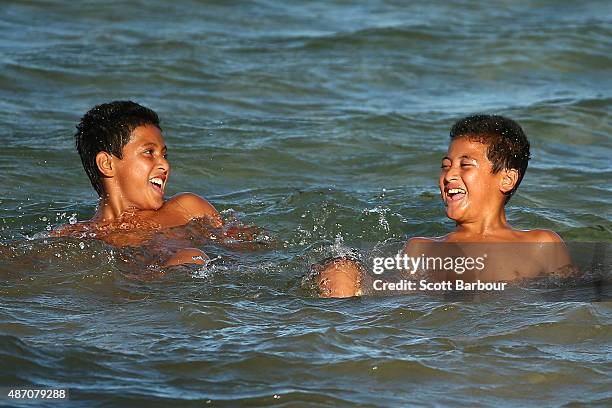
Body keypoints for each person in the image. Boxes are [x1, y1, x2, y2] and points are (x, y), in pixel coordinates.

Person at [319, 114, 574, 297]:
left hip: (509, 348)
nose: (449, 175)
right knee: (341, 269)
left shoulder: (542, 244)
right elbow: (398, 298)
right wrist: (347, 274)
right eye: (445, 165)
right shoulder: (422, 248)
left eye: (465, 165)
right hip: (449, 346)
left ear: (506, 179)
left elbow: (571, 302)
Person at [54, 101, 221, 266]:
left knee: (191, 256)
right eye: (149, 152)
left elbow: (241, 248)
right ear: (107, 164)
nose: (165, 165)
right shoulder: (74, 237)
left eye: (164, 155)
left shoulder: (187, 209)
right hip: (137, 289)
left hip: (184, 283)